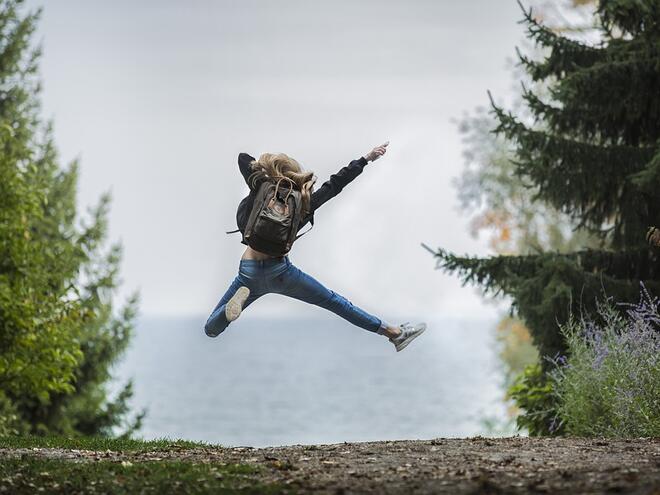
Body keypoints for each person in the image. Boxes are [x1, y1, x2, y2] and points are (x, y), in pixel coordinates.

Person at [204, 142, 426, 352]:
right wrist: (366, 159)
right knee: (336, 303)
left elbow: (243, 158)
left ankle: (227, 311)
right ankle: (394, 334)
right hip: (281, 273)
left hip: (249, 272)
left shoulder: (261, 186)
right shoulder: (303, 202)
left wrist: (266, 173)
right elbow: (335, 185)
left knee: (211, 329)